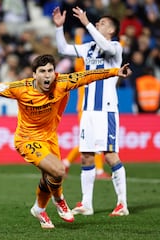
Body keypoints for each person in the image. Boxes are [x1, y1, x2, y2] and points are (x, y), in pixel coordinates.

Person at [0, 54, 132, 228]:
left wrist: (115, 71)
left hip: (50, 138)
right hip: (27, 139)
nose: (48, 75)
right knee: (59, 171)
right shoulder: (20, 88)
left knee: (50, 176)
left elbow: (87, 76)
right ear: (34, 74)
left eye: (51, 71)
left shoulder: (61, 83)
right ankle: (59, 199)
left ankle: (39, 209)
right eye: (43, 71)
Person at [53, 6, 130, 216]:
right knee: (86, 156)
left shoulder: (115, 47)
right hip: (88, 110)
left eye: (102, 23)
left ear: (112, 30)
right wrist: (59, 28)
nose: (97, 24)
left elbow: (104, 44)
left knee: (110, 155)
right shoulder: (88, 48)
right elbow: (63, 49)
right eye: (97, 23)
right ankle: (87, 204)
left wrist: (86, 23)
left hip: (106, 110)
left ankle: (122, 203)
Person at [62, 28, 111, 180]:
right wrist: (78, 36)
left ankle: (66, 163)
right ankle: (98, 171)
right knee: (94, 140)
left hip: (93, 108)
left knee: (90, 140)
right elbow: (78, 56)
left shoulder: (98, 69)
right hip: (85, 108)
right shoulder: (82, 69)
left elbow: (112, 56)